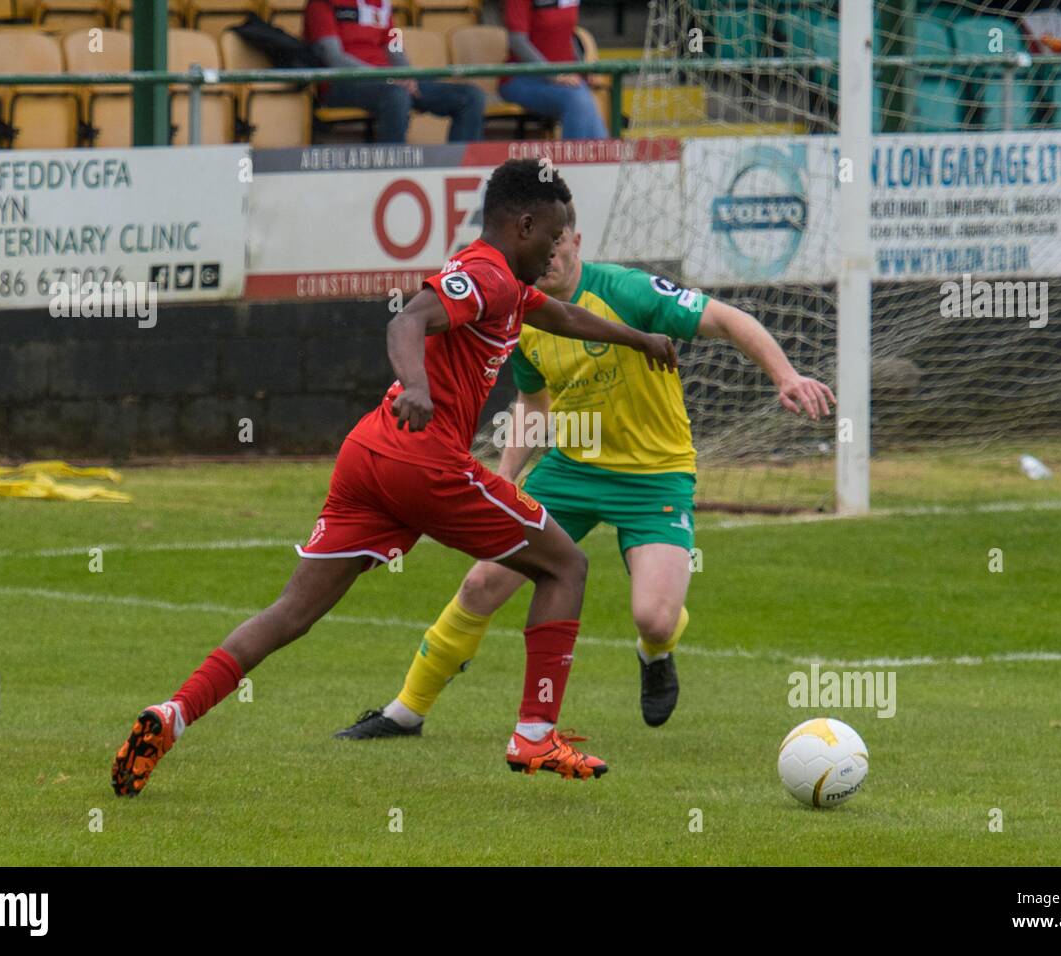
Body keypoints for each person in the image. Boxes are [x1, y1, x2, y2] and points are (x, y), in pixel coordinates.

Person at [110, 160, 680, 796]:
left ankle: (174, 713)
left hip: (369, 456)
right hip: (423, 461)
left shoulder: (508, 284)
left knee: (291, 611)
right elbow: (406, 319)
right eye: (552, 236)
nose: (556, 250)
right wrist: (416, 384)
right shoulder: (486, 274)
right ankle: (534, 735)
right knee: (565, 567)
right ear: (524, 224)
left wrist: (640, 340)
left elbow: (566, 318)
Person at [337, 202, 835, 740]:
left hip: (655, 476)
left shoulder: (625, 292)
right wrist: (505, 475)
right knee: (483, 583)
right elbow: (531, 404)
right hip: (569, 472)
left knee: (655, 617)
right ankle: (405, 712)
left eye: (558, 245)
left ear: (576, 239)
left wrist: (784, 375)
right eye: (541, 248)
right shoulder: (523, 314)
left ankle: (655, 653)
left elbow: (726, 318)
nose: (549, 257)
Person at [304, 0, 486, 142]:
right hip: (341, 83)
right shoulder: (321, 3)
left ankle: (461, 169)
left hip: (388, 81)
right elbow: (334, 57)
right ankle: (393, 170)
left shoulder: (383, 4)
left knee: (470, 96)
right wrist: (386, 78)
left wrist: (407, 75)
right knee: (396, 95)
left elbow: (395, 45)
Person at [500, 0, 608, 140]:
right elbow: (517, 42)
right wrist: (553, 74)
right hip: (522, 78)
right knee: (577, 99)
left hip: (565, 77)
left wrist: (582, 69)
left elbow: (567, 33)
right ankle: (578, 159)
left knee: (582, 97)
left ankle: (599, 158)